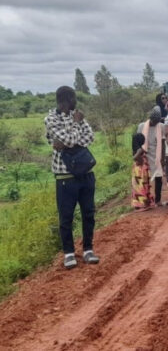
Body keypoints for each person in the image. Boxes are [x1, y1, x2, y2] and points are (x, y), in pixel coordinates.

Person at [45, 86, 100, 269]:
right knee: (66, 217)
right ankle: (69, 253)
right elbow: (70, 141)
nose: (76, 101)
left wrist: (68, 140)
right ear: (67, 99)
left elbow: (89, 138)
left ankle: (88, 249)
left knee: (88, 214)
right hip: (64, 176)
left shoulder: (77, 115)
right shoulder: (51, 118)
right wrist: (75, 126)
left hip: (86, 174)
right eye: (74, 98)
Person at [136, 107, 166, 206]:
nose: (155, 123)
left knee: (158, 178)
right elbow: (138, 141)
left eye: (157, 121)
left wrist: (162, 158)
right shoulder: (142, 126)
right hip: (145, 154)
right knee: (145, 178)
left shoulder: (161, 126)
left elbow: (162, 142)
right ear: (150, 118)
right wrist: (138, 156)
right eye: (153, 121)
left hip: (157, 155)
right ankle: (146, 200)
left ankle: (158, 200)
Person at [131, 133, 155, 211]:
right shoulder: (141, 149)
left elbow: (135, 158)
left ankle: (142, 205)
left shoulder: (139, 149)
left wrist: (136, 158)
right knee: (143, 185)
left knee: (139, 186)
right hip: (142, 169)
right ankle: (145, 203)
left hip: (139, 170)